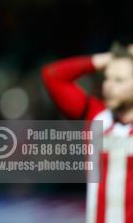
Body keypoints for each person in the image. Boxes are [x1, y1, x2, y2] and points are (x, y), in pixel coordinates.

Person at [42, 44, 133, 223]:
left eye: (119, 80)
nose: (108, 86)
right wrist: (108, 58)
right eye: (107, 78)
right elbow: (53, 76)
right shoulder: (96, 117)